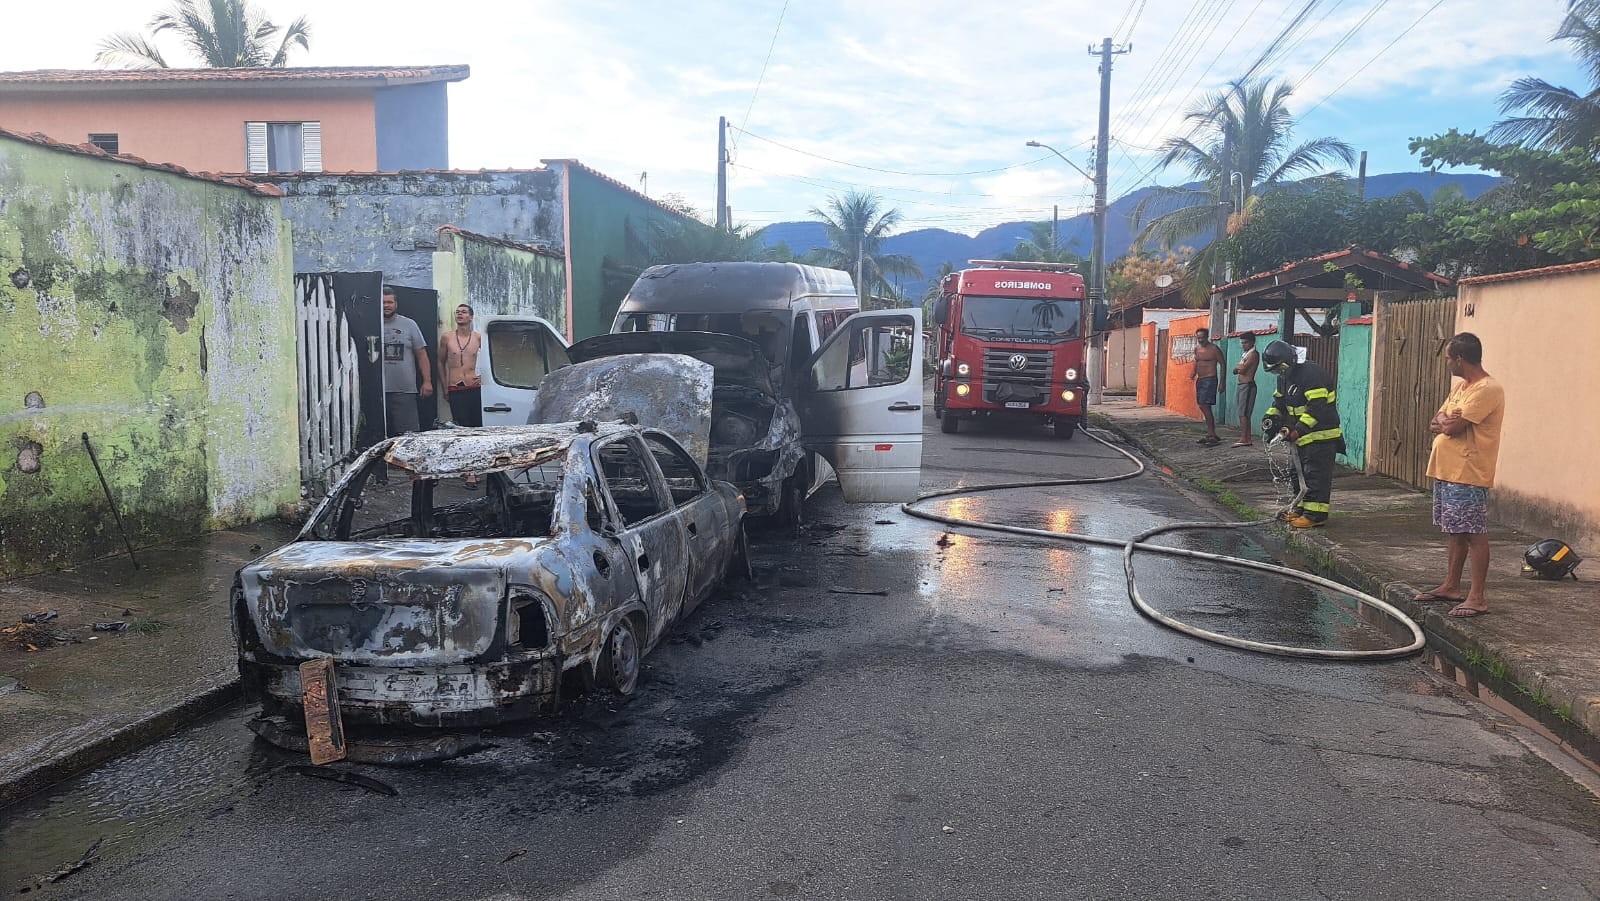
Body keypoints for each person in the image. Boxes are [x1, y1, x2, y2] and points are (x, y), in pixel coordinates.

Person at [1414, 333, 1505, 618]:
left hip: (1468, 471)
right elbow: (1436, 421)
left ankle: (1477, 597)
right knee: (1455, 530)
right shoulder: (1461, 388)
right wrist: (1446, 420)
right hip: (1447, 469)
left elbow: (1453, 426)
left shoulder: (1487, 389)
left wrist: (1447, 422)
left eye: (1449, 359)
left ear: (1460, 359)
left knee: (1473, 532)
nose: (1448, 364)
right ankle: (1451, 586)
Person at [1260, 340, 1343, 528]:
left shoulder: (1311, 374)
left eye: (1279, 368)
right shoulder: (1285, 378)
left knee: (1315, 475)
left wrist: (1298, 430)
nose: (1278, 373)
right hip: (1303, 437)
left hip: (1321, 435)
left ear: (1287, 361)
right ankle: (1300, 508)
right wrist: (1271, 419)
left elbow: (1316, 407)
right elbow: (1279, 403)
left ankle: (1315, 515)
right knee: (1297, 474)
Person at [381, 286, 433, 437]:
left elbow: (421, 354)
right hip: (376, 392)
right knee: (376, 436)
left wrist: (427, 381)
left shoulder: (409, 325)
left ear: (396, 304)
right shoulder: (369, 324)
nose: (386, 305)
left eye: (389, 302)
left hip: (404, 389)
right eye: (383, 302)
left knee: (407, 436)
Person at [439, 304, 484, 428]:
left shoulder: (478, 338)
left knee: (477, 425)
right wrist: (444, 387)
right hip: (455, 387)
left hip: (474, 388)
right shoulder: (447, 337)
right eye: (457, 312)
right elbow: (440, 362)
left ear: (471, 317)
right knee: (460, 426)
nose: (459, 314)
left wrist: (484, 378)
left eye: (463, 312)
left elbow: (489, 360)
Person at [1192, 327, 1224, 446]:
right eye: (1198, 338)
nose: (1200, 340)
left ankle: (1212, 434)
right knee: (1202, 405)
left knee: (1205, 406)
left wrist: (1222, 382)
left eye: (1202, 338)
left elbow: (1223, 364)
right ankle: (1211, 433)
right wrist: (1193, 372)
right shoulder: (1197, 349)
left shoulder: (1214, 349)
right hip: (1200, 379)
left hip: (1210, 379)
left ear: (1207, 337)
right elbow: (1197, 361)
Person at [1231, 332, 1260, 448]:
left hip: (1247, 385)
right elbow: (1238, 369)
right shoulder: (1246, 354)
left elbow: (1242, 368)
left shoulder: (1253, 354)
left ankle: (1245, 438)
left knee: (1244, 413)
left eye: (1245, 342)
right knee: (1242, 413)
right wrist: (1238, 368)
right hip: (1242, 384)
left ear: (1252, 342)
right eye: (1242, 343)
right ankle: (1246, 437)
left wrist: (1238, 367)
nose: (1243, 345)